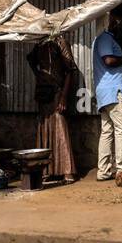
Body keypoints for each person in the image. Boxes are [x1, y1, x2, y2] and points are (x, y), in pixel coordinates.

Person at [92, 11, 122, 182]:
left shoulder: (105, 39)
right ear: (113, 24)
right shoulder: (105, 39)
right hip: (115, 92)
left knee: (107, 132)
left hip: (106, 93)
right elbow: (109, 61)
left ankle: (104, 171)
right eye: (120, 26)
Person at [28, 34, 78, 183]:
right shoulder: (40, 42)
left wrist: (63, 96)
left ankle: (66, 171)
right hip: (43, 91)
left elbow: (70, 70)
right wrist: (39, 74)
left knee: (60, 126)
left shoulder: (60, 42)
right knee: (44, 128)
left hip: (57, 90)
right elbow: (30, 58)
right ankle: (46, 170)